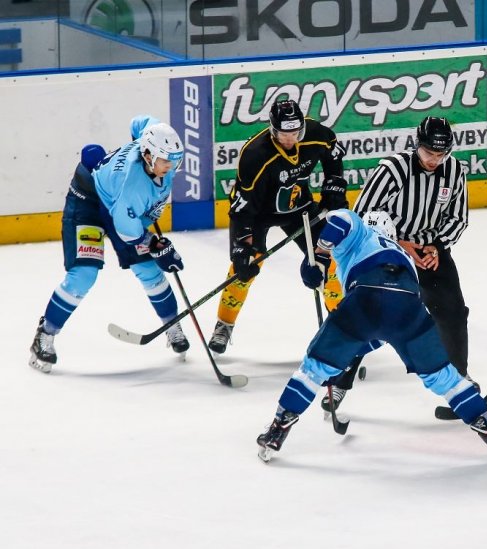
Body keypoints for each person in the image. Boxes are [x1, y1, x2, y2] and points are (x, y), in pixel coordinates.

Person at [255, 208, 487, 464]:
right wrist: (351, 350)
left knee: (314, 369)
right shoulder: (402, 253)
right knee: (444, 377)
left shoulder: (362, 233)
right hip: (409, 307)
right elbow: (384, 330)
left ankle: (278, 428)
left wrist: (320, 254)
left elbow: (341, 220)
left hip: (365, 296)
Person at [29, 116, 189, 373]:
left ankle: (172, 324)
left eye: (175, 160)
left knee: (148, 270)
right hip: (89, 203)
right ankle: (45, 334)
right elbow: (129, 233)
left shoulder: (154, 142)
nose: (171, 166)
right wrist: (156, 245)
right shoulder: (133, 188)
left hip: (119, 203)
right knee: (83, 275)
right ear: (148, 155)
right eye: (166, 161)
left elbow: (139, 122)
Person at [345, 116, 471, 414]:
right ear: (417, 145)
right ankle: (339, 382)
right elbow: (362, 214)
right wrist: (401, 243)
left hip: (430, 252)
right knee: (369, 316)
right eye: (429, 153)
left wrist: (436, 247)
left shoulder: (454, 171)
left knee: (453, 313)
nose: (434, 160)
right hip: (388, 253)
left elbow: (458, 218)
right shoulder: (393, 170)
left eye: (441, 154)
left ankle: (458, 382)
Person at [207, 98, 347, 354]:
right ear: (273, 130)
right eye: (284, 134)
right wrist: (241, 247)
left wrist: (334, 183)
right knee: (245, 268)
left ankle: (343, 326)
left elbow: (334, 152)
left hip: (300, 208)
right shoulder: (254, 155)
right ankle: (224, 324)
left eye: (295, 133)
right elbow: (242, 208)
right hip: (257, 214)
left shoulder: (315, 134)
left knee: (329, 260)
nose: (290, 139)